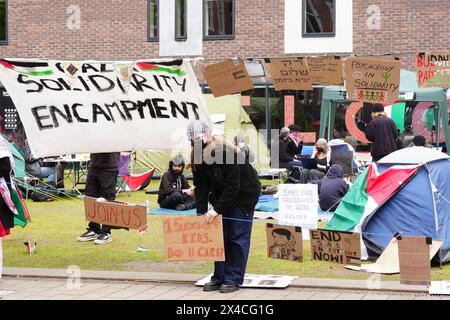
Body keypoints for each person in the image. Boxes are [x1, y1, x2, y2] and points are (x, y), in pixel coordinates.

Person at [187, 120, 261, 294]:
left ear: (207, 135)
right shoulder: (197, 155)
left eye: (198, 139)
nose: (195, 143)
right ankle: (219, 276)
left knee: (236, 237)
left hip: (243, 195)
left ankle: (233, 278)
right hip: (221, 196)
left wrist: (216, 210)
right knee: (218, 238)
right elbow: (201, 186)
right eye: (192, 140)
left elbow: (232, 186)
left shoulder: (225, 151)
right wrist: (201, 211)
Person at [77, 152, 120, 245]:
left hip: (109, 167)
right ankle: (94, 229)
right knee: (90, 198)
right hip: (94, 165)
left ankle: (106, 232)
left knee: (107, 200)